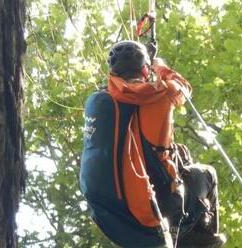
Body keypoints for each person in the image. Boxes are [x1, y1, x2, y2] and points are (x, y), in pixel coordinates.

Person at [80, 40, 226, 247]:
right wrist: (158, 66)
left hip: (116, 216)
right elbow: (183, 89)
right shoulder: (159, 95)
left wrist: (147, 65)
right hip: (156, 206)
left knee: (182, 159)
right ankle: (202, 238)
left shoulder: (102, 100)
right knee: (206, 174)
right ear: (143, 69)